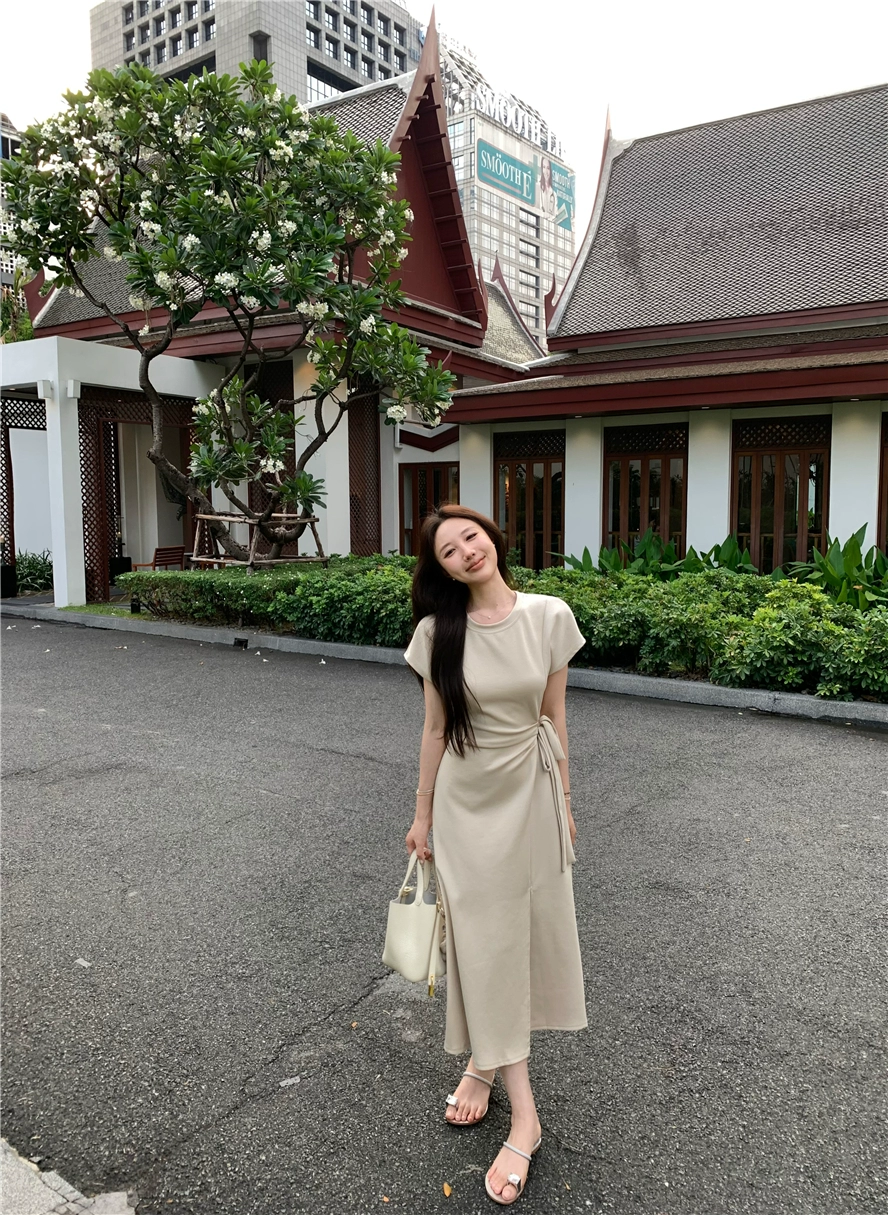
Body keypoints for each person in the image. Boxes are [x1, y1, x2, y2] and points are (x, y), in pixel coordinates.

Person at [403, 504, 587, 1206]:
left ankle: (484, 1061)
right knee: (482, 946)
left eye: (470, 537)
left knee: (518, 940)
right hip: (464, 806)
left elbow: (553, 716)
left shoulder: (548, 615)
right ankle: (525, 1117)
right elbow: (434, 728)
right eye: (449, 551)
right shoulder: (437, 633)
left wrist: (565, 799)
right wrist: (421, 814)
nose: (466, 552)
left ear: (492, 538)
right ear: (443, 570)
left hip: (530, 795)